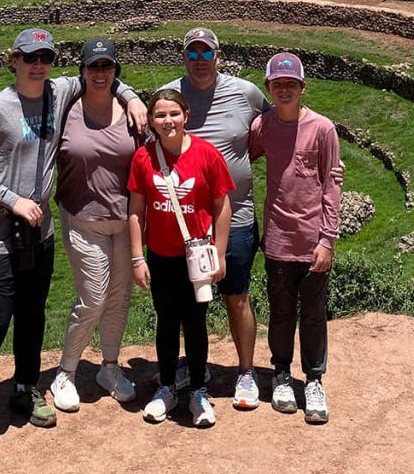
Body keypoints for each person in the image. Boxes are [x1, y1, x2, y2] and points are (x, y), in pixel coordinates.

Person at [0, 28, 146, 456]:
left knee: (33, 315)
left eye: (46, 56)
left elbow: (106, 75)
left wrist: (131, 98)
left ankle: (25, 386)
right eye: (30, 57)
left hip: (39, 234)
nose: (38, 64)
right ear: (13, 61)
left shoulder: (59, 93)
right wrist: (11, 200)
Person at [160, 28, 270, 410]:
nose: (200, 61)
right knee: (188, 304)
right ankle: (195, 367)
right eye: (193, 54)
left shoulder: (246, 93)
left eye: (207, 54)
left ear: (219, 56)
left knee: (236, 297)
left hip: (236, 216)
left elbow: (268, 130)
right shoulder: (169, 95)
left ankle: (245, 372)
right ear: (183, 56)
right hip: (184, 224)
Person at [128, 88, 233, 428]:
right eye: (160, 115)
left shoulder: (205, 154)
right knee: (166, 321)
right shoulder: (143, 157)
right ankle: (168, 387)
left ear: (186, 115)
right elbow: (136, 210)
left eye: (173, 113)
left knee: (195, 321)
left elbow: (221, 205)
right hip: (161, 254)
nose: (167, 121)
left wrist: (219, 251)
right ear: (152, 121)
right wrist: (136, 257)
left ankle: (199, 390)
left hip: (196, 255)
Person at [249, 51, 343, 424]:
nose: (284, 89)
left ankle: (315, 379)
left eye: (291, 84)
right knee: (281, 312)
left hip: (312, 240)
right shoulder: (263, 127)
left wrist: (327, 239)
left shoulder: (322, 128)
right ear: (269, 88)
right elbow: (241, 158)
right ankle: (282, 373)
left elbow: (333, 183)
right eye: (278, 84)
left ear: (303, 87)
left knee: (315, 313)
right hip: (277, 238)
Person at [50, 38, 142, 412]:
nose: (100, 73)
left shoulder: (132, 110)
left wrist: (133, 96)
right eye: (93, 67)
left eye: (107, 67)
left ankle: (109, 366)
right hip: (82, 217)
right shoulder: (66, 109)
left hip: (124, 220)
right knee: (93, 297)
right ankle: (66, 372)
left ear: (116, 70)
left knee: (120, 298)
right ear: (82, 70)